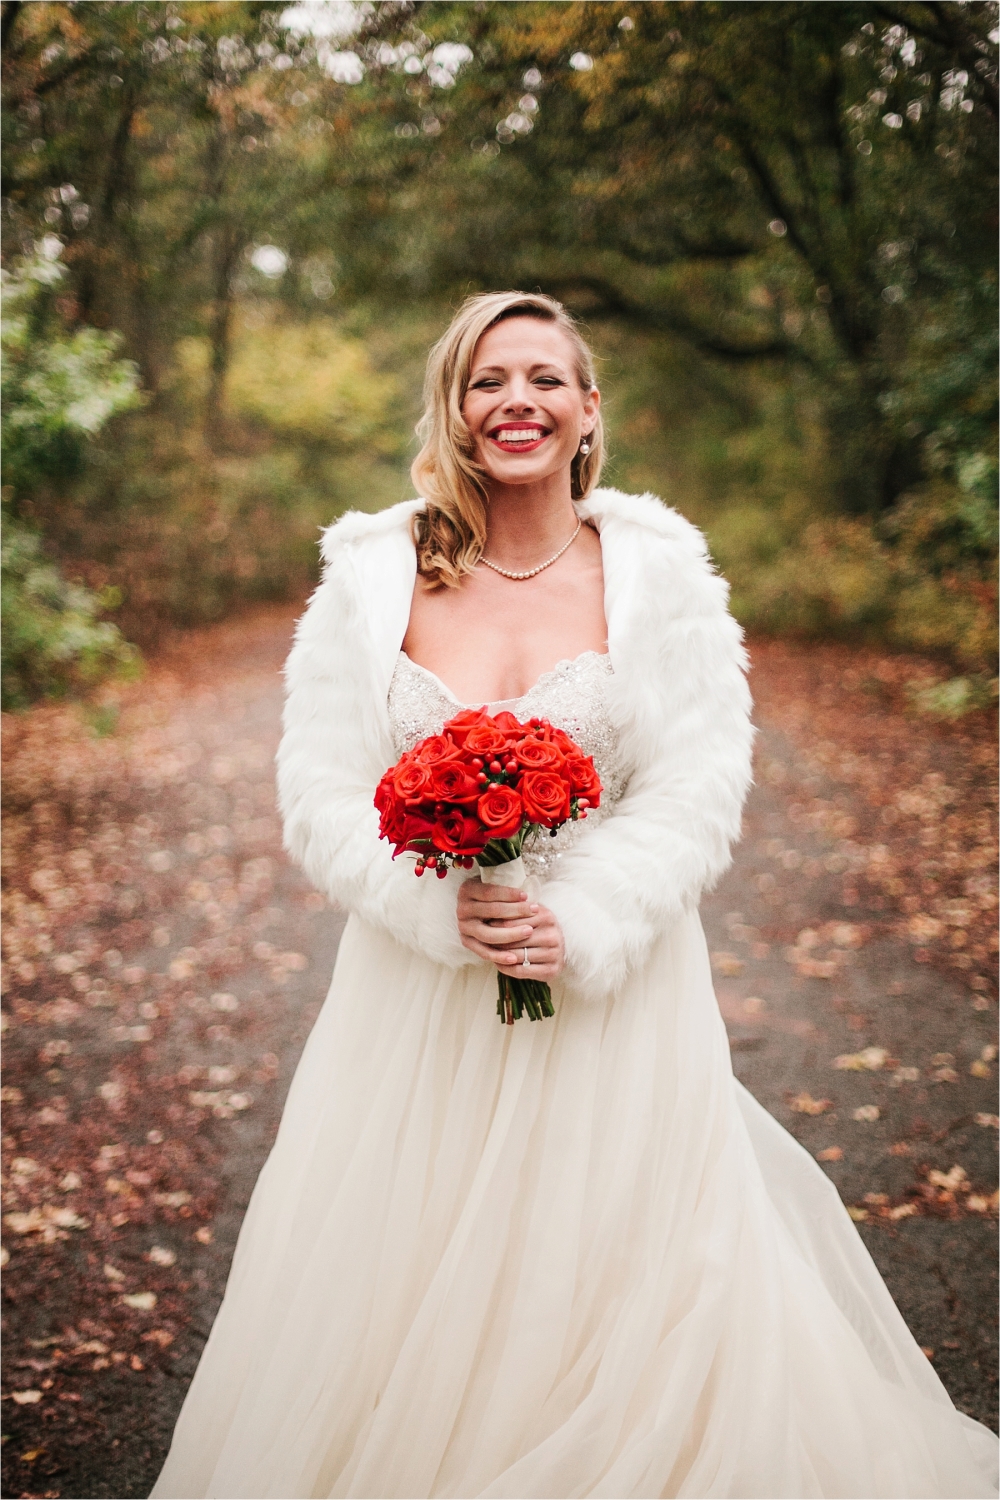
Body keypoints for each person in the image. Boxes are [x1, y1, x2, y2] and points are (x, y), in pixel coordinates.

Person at [151, 292, 997, 1499]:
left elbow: (698, 782)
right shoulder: (370, 576)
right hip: (417, 1009)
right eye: (489, 380)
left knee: (613, 1270)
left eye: (545, 379)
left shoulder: (662, 578)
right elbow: (319, 789)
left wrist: (582, 918)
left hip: (614, 996)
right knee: (413, 1270)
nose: (518, 403)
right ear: (455, 406)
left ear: (588, 410)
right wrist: (438, 912)